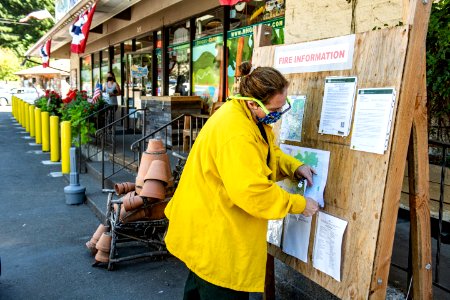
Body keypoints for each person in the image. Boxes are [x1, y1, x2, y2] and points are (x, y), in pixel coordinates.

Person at [164, 62, 319, 300]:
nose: (278, 115)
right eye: (275, 109)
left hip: (205, 228)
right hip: (215, 236)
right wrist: (299, 204)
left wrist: (294, 167)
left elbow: (265, 153)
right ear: (252, 103)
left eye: (282, 106)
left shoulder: (246, 117)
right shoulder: (236, 132)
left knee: (197, 290)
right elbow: (253, 192)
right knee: (218, 290)